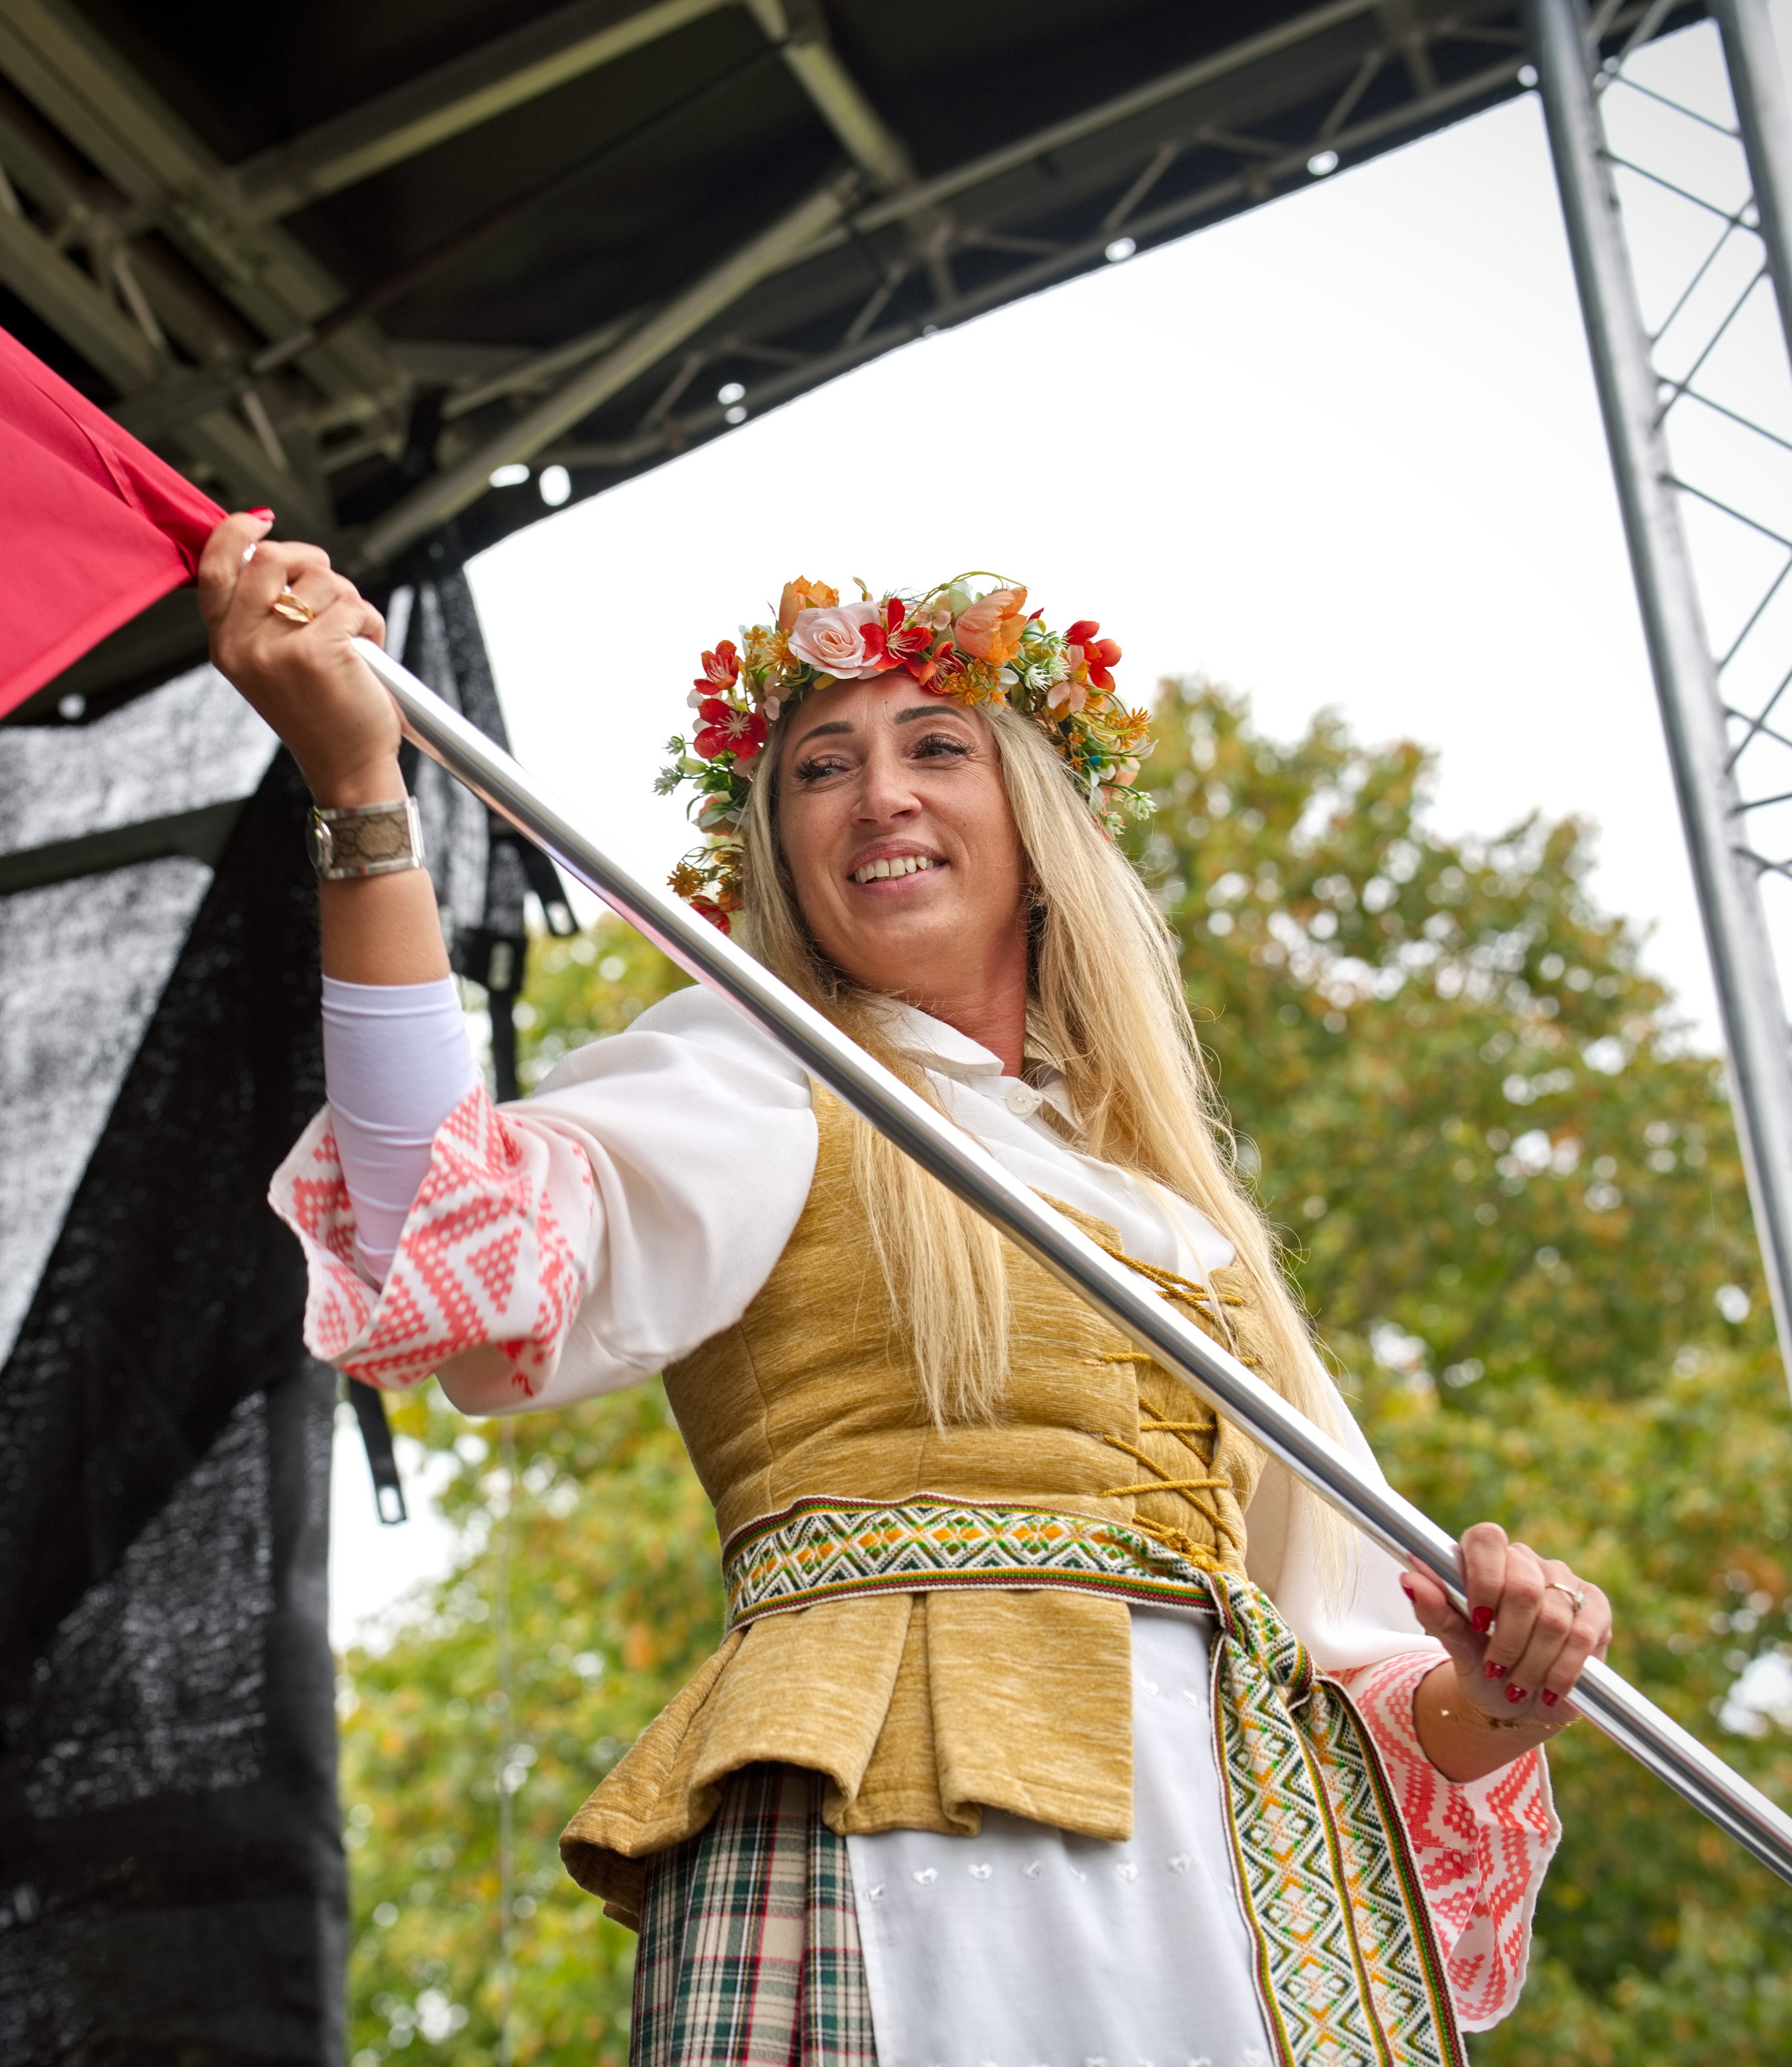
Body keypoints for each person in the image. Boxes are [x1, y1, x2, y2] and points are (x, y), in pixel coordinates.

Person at [197, 511, 1610, 2067]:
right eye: (822, 765)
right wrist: (361, 800)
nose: (880, 793)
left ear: (1037, 822)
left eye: (936, 745)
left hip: (1223, 1891)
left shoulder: (1185, 1227)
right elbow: (434, 1225)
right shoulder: (758, 1071)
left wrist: (1498, 1689)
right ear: (782, 848)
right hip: (896, 1849)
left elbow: (1355, 1674)